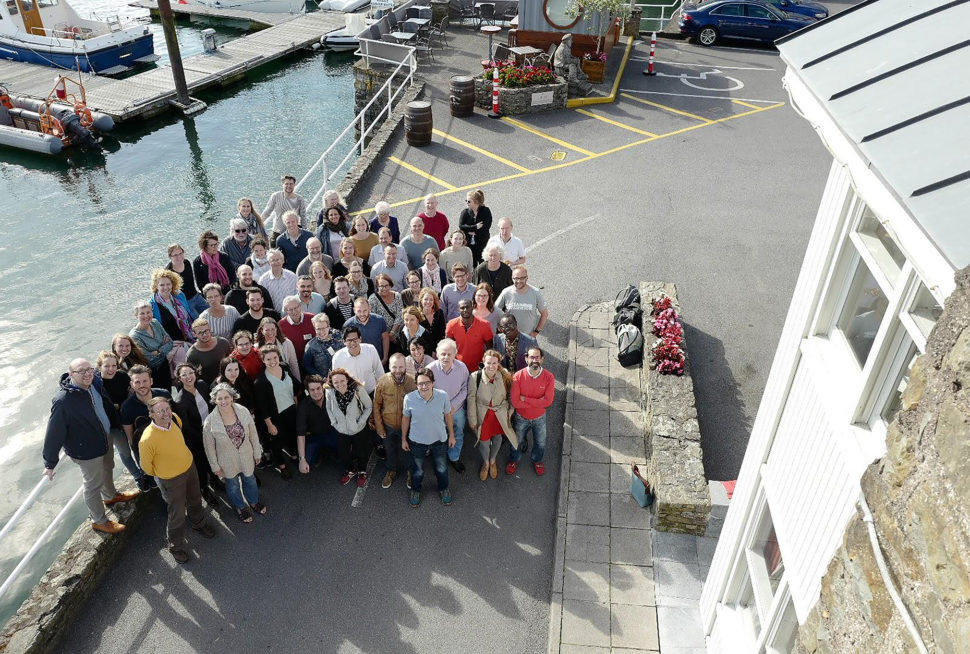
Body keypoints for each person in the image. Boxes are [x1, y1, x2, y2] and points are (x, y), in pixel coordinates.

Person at [42, 358, 138, 535]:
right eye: (81, 371)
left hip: (104, 437)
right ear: (71, 375)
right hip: (86, 448)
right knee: (92, 484)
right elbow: (54, 432)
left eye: (89, 369)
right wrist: (49, 463)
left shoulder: (94, 382)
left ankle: (110, 496)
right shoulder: (64, 401)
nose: (87, 374)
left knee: (108, 467)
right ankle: (99, 521)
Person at [139, 397, 216, 563]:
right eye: (160, 411)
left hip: (189, 467)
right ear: (151, 414)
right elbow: (146, 467)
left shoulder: (174, 418)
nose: (166, 413)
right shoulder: (147, 439)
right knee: (177, 513)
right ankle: (175, 546)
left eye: (167, 409)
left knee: (195, 499)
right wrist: (166, 472)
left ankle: (199, 523)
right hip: (171, 479)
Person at [203, 383, 265, 523]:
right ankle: (240, 507)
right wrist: (215, 466)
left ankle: (254, 502)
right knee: (233, 485)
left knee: (250, 480)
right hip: (226, 461)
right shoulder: (210, 422)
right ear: (215, 400)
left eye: (226, 397)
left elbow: (253, 434)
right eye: (220, 399)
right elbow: (209, 447)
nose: (223, 401)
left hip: (246, 455)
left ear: (232, 397)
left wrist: (257, 452)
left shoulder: (243, 411)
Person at [95, 351, 149, 491]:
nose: (111, 369)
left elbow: (133, 392)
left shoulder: (122, 376)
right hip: (113, 424)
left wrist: (121, 405)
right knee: (124, 452)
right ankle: (138, 476)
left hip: (128, 418)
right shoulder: (96, 384)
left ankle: (146, 471)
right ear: (100, 366)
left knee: (136, 445)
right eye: (107, 366)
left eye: (114, 365)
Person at [402, 368, 455, 507]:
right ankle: (415, 490)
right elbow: (406, 419)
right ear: (416, 384)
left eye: (427, 383)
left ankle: (444, 489)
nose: (424, 386)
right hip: (417, 442)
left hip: (439, 440)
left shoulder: (443, 396)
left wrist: (452, 436)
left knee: (442, 468)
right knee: (417, 470)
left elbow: (448, 416)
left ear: (433, 383)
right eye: (420, 384)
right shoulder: (409, 398)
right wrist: (403, 439)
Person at [467, 350, 517, 481]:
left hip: (499, 414)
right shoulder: (474, 376)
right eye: (488, 362)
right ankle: (486, 463)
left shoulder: (504, 375)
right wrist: (472, 419)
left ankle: (493, 459)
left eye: (494, 363)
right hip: (483, 415)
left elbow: (511, 395)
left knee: (498, 438)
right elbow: (471, 399)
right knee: (483, 442)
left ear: (498, 363)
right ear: (483, 361)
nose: (491, 366)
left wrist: (509, 413)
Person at [253, 344, 300, 480]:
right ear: (263, 360)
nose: (272, 361)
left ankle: (294, 455)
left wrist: (295, 400)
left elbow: (294, 386)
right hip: (275, 416)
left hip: (290, 409)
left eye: (275, 357)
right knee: (277, 441)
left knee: (291, 434)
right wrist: (269, 424)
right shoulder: (261, 381)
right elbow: (262, 406)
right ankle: (282, 466)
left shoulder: (285, 368)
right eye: (268, 359)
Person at [171, 363, 216, 504]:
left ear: (195, 373)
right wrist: (204, 437)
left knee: (213, 459)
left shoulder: (202, 385)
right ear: (179, 378)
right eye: (183, 375)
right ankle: (205, 489)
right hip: (196, 438)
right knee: (201, 465)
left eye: (190, 373)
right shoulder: (179, 401)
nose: (188, 377)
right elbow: (187, 427)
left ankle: (215, 481)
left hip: (211, 429)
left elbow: (212, 405)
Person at [509, 346, 555, 475]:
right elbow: (515, 402)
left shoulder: (549, 377)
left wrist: (525, 399)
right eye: (531, 357)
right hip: (521, 417)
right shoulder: (518, 376)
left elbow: (548, 402)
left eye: (537, 357)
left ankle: (537, 460)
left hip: (539, 418)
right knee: (516, 441)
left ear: (542, 359)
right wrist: (538, 402)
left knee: (540, 442)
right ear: (526, 359)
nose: (534, 360)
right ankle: (514, 459)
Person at [373, 354, 417, 489]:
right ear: (389, 366)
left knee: (410, 450)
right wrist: (379, 428)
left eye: (401, 366)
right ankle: (391, 470)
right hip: (388, 425)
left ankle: (410, 471)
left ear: (405, 366)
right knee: (389, 449)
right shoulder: (382, 382)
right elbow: (376, 406)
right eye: (394, 367)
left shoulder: (413, 382)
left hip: (408, 426)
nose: (398, 370)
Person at [326, 368, 373, 487]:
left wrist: (361, 422)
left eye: (342, 380)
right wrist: (334, 423)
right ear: (332, 383)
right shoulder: (329, 392)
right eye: (335, 382)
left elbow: (369, 407)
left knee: (362, 452)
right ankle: (350, 471)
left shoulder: (358, 389)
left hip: (358, 428)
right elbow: (328, 408)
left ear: (346, 379)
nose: (339, 384)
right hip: (341, 430)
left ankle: (362, 471)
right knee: (344, 453)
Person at [427, 339, 469, 473]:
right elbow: (425, 391)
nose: (446, 357)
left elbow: (466, 388)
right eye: (443, 354)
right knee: (438, 436)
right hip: (437, 411)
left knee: (458, 434)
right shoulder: (430, 369)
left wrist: (452, 405)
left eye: (449, 354)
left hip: (456, 410)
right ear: (437, 354)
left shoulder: (462, 367)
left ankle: (454, 457)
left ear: (455, 354)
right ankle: (440, 460)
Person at [120, 365, 171, 461]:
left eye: (145, 381)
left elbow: (175, 419)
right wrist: (141, 459)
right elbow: (131, 439)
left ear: (151, 381)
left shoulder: (164, 394)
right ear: (131, 384)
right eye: (137, 382)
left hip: (169, 442)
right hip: (148, 451)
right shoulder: (126, 408)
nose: (141, 385)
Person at [130, 300, 174, 391]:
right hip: (151, 372)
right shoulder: (135, 336)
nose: (146, 316)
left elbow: (170, 343)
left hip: (164, 364)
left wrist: (158, 351)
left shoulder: (155, 323)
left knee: (168, 392)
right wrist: (162, 345)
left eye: (148, 312)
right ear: (136, 316)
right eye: (142, 313)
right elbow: (149, 359)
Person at [295, 374, 336, 473]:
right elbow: (300, 434)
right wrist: (302, 459)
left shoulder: (331, 397)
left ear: (323, 387)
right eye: (312, 390)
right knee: (308, 464)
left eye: (318, 388)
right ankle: (319, 453)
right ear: (307, 391)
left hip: (331, 433)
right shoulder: (303, 406)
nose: (316, 392)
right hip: (314, 438)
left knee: (343, 456)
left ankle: (330, 451)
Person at [495, 266, 549, 338]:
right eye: (516, 278)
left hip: (528, 337)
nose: (519, 281)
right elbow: (495, 311)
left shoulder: (536, 292)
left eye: (522, 278)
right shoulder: (506, 292)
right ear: (512, 278)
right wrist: (500, 327)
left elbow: (544, 314)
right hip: (509, 336)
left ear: (527, 277)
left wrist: (536, 332)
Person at [149, 268, 198, 344]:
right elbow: (154, 329)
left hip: (191, 334)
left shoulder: (179, 295)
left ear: (173, 284)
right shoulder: (152, 305)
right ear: (156, 286)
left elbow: (189, 313)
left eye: (168, 284)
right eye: (162, 285)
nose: (166, 287)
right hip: (173, 341)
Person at [332, 325, 384, 394]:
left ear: (360, 339)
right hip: (353, 395)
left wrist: (383, 390)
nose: (353, 343)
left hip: (372, 392)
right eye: (349, 340)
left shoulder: (370, 349)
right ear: (344, 342)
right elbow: (336, 379)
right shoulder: (337, 357)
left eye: (355, 339)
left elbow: (379, 371)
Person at [446, 298, 494, 372]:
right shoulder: (451, 324)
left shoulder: (485, 325)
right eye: (462, 308)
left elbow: (490, 349)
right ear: (458, 310)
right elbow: (448, 347)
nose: (465, 310)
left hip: (478, 369)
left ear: (472, 308)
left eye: (467, 307)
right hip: (458, 368)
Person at [262, 174, 307, 245]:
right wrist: (259, 223)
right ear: (282, 184)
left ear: (294, 185)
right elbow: (267, 211)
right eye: (286, 184)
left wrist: (304, 232)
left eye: (291, 184)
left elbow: (303, 216)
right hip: (278, 231)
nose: (289, 186)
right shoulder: (276, 196)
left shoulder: (299, 199)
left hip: (294, 230)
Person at [186, 318, 233, 385]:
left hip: (229, 382)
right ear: (194, 334)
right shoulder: (192, 354)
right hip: (209, 388)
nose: (204, 335)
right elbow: (191, 376)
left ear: (210, 330)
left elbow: (232, 361)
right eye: (200, 333)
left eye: (206, 331)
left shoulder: (223, 342)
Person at [344, 297, 390, 366]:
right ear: (354, 310)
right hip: (359, 363)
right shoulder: (348, 325)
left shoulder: (379, 320)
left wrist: (385, 358)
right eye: (359, 311)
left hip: (379, 360)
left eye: (365, 310)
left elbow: (385, 338)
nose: (362, 314)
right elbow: (347, 344)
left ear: (369, 308)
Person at [255, 317, 301, 381]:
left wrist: (298, 384)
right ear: (262, 331)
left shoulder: (287, 343)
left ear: (276, 329)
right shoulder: (256, 347)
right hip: (267, 381)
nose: (270, 332)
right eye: (267, 330)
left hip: (286, 379)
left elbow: (293, 365)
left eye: (273, 329)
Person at [166, 243, 207, 314]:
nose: (179, 257)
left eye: (180, 253)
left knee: (210, 312)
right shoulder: (169, 272)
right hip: (185, 302)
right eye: (175, 255)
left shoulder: (186, 262)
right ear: (170, 257)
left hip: (196, 296)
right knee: (197, 321)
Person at [193, 230, 236, 296]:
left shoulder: (224, 257)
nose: (215, 247)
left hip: (227, 292)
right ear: (204, 247)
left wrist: (227, 295)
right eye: (212, 245)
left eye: (216, 244)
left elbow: (232, 277)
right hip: (210, 295)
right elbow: (200, 284)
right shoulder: (198, 262)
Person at [369, 273, 405, 350]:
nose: (384, 288)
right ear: (377, 286)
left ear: (390, 285)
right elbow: (373, 319)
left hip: (398, 335)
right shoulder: (372, 299)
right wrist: (386, 336)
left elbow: (400, 315)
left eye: (386, 285)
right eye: (381, 286)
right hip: (382, 336)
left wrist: (392, 333)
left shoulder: (397, 296)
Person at [303, 313, 343, 379]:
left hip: (342, 378)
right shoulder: (310, 346)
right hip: (324, 382)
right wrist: (320, 377)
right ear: (314, 328)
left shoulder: (340, 338)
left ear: (328, 326)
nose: (321, 332)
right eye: (318, 329)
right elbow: (307, 366)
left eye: (324, 328)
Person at [258, 249, 298, 313]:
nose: (276, 262)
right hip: (272, 315)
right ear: (268, 263)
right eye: (273, 260)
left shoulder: (293, 277)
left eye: (278, 259)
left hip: (290, 314)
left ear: (283, 261)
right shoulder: (263, 280)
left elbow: (297, 297)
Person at [458, 189, 492, 265]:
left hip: (482, 243)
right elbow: (461, 226)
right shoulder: (465, 212)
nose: (467, 203)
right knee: (471, 264)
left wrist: (473, 232)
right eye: (466, 200)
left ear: (476, 202)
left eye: (469, 201)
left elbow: (486, 226)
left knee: (483, 263)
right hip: (469, 244)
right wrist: (475, 227)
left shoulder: (485, 211)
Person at [278, 295, 316, 362]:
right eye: (290, 309)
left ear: (300, 305)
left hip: (313, 360)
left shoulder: (312, 318)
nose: (294, 312)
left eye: (296, 308)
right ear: (286, 311)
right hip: (294, 361)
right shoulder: (281, 325)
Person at [418, 288, 446, 354]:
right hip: (422, 352)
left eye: (431, 300)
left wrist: (436, 351)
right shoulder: (417, 315)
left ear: (434, 302)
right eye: (425, 299)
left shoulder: (439, 313)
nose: (428, 302)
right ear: (421, 300)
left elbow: (441, 334)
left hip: (438, 350)